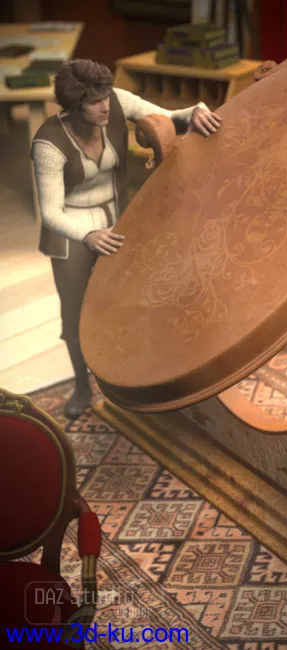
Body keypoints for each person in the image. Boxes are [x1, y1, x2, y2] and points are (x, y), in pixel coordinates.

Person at [32, 58, 221, 419]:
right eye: (94, 102)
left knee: (131, 300)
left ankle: (133, 378)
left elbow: (169, 118)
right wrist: (87, 235)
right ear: (74, 106)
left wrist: (195, 111)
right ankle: (82, 386)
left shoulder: (117, 101)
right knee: (74, 313)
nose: (104, 106)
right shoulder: (48, 143)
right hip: (72, 232)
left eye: (105, 97)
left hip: (117, 220)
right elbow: (51, 212)